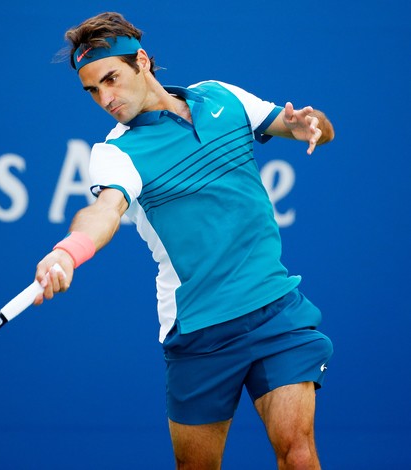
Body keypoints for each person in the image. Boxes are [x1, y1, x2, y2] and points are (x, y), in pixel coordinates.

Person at [33, 12, 335, 470]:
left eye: (111, 79)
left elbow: (305, 127)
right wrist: (67, 252)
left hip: (276, 311)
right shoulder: (115, 154)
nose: (105, 98)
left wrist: (311, 124)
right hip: (199, 332)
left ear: (141, 61)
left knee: (298, 453)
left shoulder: (222, 98)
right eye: (93, 90)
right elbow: (105, 211)